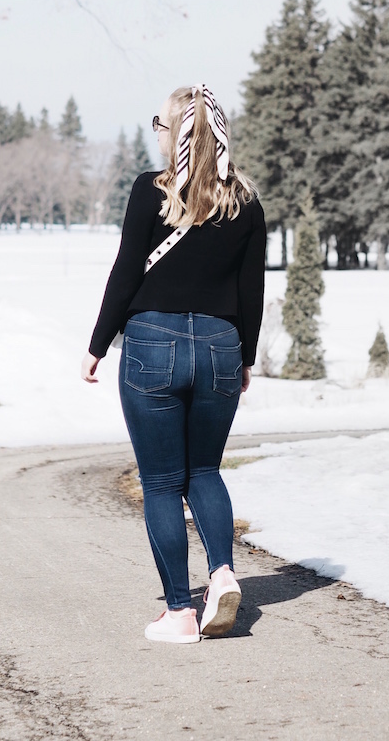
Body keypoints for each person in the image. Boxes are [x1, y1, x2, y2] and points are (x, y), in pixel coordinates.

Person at [82, 84, 266, 644]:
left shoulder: (150, 190)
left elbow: (126, 270)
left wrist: (97, 344)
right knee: (205, 471)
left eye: (161, 126)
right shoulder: (246, 201)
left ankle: (181, 613)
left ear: (178, 135)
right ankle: (222, 573)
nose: (156, 135)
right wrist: (245, 357)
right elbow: (252, 288)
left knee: (162, 482)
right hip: (219, 344)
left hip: (151, 341)